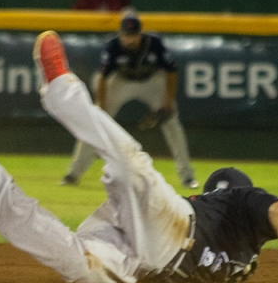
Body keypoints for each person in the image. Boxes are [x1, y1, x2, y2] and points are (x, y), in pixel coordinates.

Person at [0, 31, 278, 283]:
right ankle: (62, 86)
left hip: (141, 261)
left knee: (79, 266)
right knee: (131, 165)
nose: (218, 196)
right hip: (175, 227)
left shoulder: (244, 259)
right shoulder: (240, 203)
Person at [61, 11, 198, 189]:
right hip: (121, 81)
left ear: (140, 34)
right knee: (95, 122)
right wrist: (100, 107)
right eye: (127, 35)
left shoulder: (154, 43)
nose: (130, 39)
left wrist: (167, 102)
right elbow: (102, 78)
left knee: (172, 122)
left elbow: (171, 71)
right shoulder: (113, 46)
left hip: (151, 81)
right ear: (121, 34)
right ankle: (73, 174)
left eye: (133, 35)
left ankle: (187, 176)